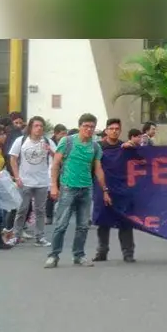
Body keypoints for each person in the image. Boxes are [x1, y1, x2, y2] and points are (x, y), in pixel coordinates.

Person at [44, 113, 111, 268]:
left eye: (92, 127)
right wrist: (53, 185)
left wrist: (105, 190)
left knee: (82, 226)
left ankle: (79, 255)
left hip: (86, 188)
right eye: (85, 126)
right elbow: (55, 164)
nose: (88, 129)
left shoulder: (95, 146)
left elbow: (98, 169)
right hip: (68, 187)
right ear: (80, 126)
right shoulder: (67, 141)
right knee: (61, 224)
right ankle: (53, 255)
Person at [7, 116, 56, 247]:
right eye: (36, 125)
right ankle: (16, 236)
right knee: (22, 209)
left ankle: (40, 237)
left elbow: (58, 159)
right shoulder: (21, 140)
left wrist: (49, 150)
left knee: (40, 211)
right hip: (25, 181)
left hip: (42, 181)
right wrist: (17, 177)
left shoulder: (48, 141)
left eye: (41, 126)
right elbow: (13, 159)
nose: (39, 128)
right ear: (30, 127)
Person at [93, 118, 136, 263]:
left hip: (122, 189)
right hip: (102, 187)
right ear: (106, 130)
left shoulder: (125, 147)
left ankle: (128, 253)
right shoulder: (97, 147)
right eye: (111, 128)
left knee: (125, 222)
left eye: (117, 129)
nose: (114, 131)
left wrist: (133, 147)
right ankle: (102, 252)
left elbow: (141, 161)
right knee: (103, 221)